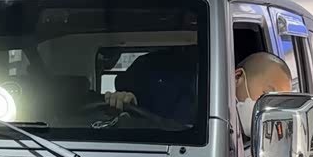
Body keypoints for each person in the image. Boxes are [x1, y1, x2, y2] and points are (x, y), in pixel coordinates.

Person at [105, 49, 292, 140]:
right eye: (267, 95)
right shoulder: (190, 103)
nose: (270, 109)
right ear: (237, 77)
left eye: (277, 104)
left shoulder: (267, 139)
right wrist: (126, 103)